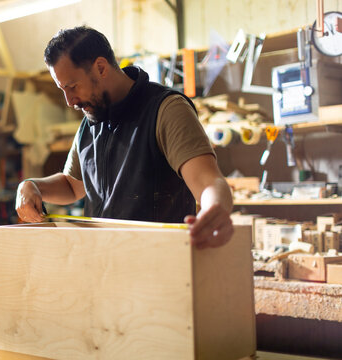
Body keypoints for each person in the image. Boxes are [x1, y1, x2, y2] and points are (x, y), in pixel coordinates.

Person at [15, 26, 233, 249]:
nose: (70, 101)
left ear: (100, 68)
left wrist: (216, 209)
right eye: (63, 89)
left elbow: (208, 181)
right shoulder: (90, 122)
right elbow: (73, 186)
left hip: (159, 263)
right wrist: (32, 186)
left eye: (72, 87)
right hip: (105, 264)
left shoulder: (165, 109)